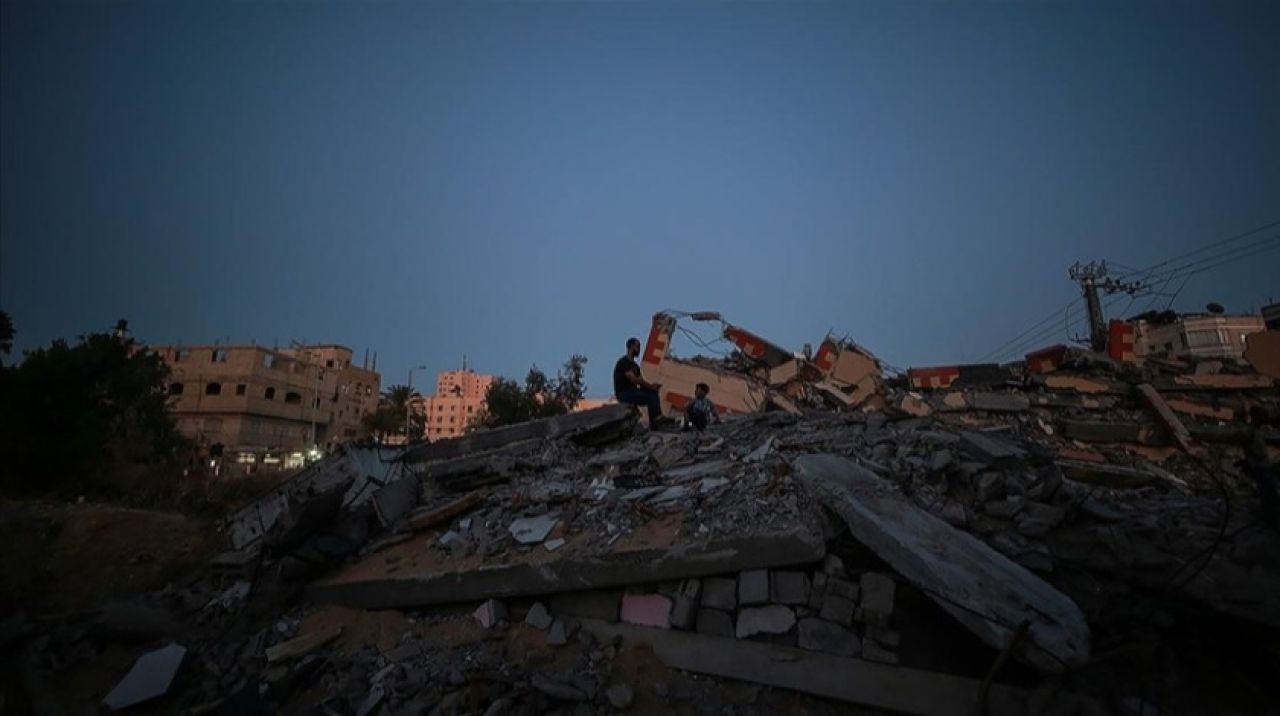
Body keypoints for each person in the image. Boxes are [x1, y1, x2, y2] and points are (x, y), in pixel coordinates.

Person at [614, 337, 663, 429]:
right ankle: (656, 420)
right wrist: (650, 386)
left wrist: (652, 387)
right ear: (631, 347)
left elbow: (641, 381)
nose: (639, 349)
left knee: (652, 393)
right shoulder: (623, 362)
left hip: (633, 391)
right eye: (637, 346)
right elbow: (633, 379)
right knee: (649, 396)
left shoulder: (635, 366)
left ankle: (656, 422)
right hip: (624, 393)